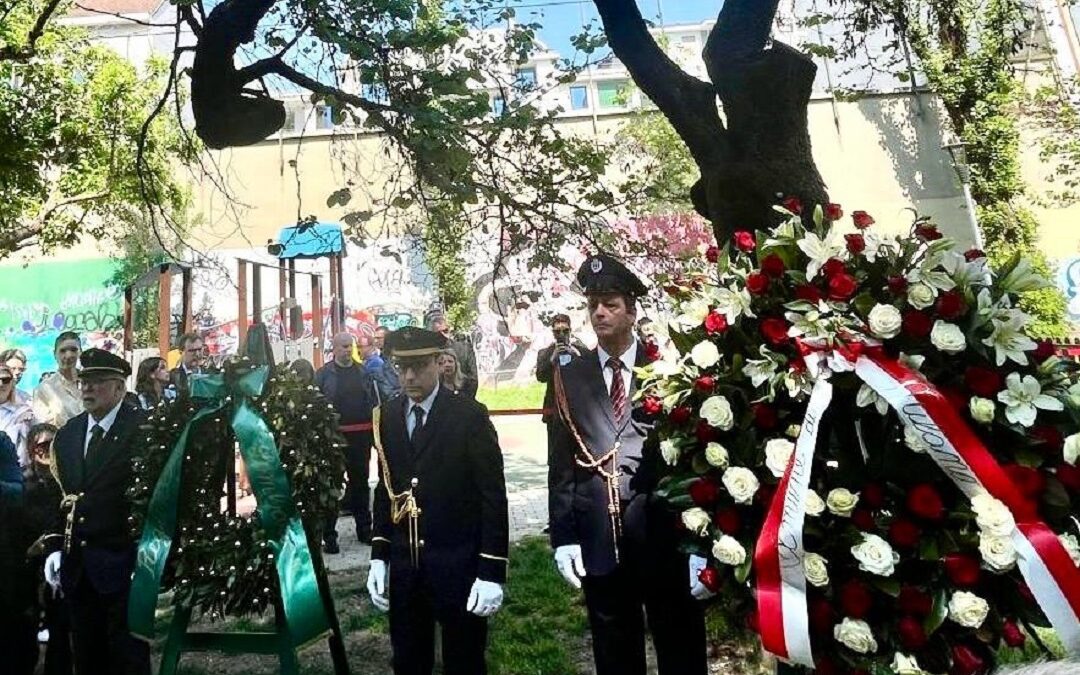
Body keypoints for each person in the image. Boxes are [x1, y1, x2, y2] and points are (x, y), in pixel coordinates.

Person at [548, 254, 708, 675]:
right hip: (601, 538)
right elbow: (561, 464)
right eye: (593, 305)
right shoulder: (569, 376)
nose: (599, 312)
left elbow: (695, 459)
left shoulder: (670, 369)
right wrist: (563, 536)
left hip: (665, 537)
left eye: (611, 303)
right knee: (614, 653)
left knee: (681, 647)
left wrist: (702, 545)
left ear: (632, 311)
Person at [367, 327, 509, 675]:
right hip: (407, 567)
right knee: (408, 660)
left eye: (419, 366)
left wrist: (491, 570)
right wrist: (379, 554)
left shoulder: (469, 415)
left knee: (464, 660)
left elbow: (492, 496)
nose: (410, 376)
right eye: (402, 367)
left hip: (458, 563)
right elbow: (387, 489)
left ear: (438, 363)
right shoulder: (386, 416)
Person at [42, 349, 150, 675]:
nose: (87, 388)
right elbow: (60, 495)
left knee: (126, 656)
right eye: (84, 381)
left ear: (119, 388)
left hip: (123, 560)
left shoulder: (142, 430)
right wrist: (54, 546)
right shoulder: (70, 434)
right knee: (87, 655)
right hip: (79, 564)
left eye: (98, 382)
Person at [315, 332, 380, 551]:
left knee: (361, 484)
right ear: (333, 348)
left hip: (360, 437)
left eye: (349, 346)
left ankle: (364, 530)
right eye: (343, 346)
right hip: (334, 438)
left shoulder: (363, 372)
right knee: (333, 486)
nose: (347, 350)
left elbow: (372, 401)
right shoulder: (324, 375)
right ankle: (330, 536)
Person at [19, 423, 72, 675]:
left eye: (52, 443)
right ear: (31, 449)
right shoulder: (21, 485)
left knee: (60, 628)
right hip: (26, 567)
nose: (46, 450)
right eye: (41, 445)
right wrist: (29, 551)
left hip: (59, 564)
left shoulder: (66, 482)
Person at [535, 313, 586, 425]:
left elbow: (589, 375)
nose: (561, 335)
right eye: (557, 332)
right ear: (553, 333)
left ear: (570, 330)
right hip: (554, 411)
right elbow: (540, 377)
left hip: (577, 410)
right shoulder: (545, 353)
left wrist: (575, 356)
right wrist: (552, 359)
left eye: (565, 331)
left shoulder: (580, 350)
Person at [33, 332, 83, 428]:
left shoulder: (91, 383)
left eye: (73, 350)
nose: (68, 355)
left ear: (80, 352)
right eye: (63, 351)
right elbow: (44, 429)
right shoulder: (44, 389)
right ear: (55, 354)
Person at [431, 316, 479, 398]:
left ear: (449, 330)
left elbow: (473, 379)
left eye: (445, 331)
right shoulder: (429, 354)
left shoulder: (465, 349)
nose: (443, 335)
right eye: (438, 333)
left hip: (464, 399)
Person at [0, 364, 34, 467]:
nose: (0, 384)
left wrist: (26, 425)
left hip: (13, 473)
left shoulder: (24, 411)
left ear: (12, 384)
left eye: (5, 380)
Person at [360, 334, 401, 400]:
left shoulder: (376, 362)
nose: (359, 349)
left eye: (361, 346)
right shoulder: (379, 361)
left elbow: (387, 388)